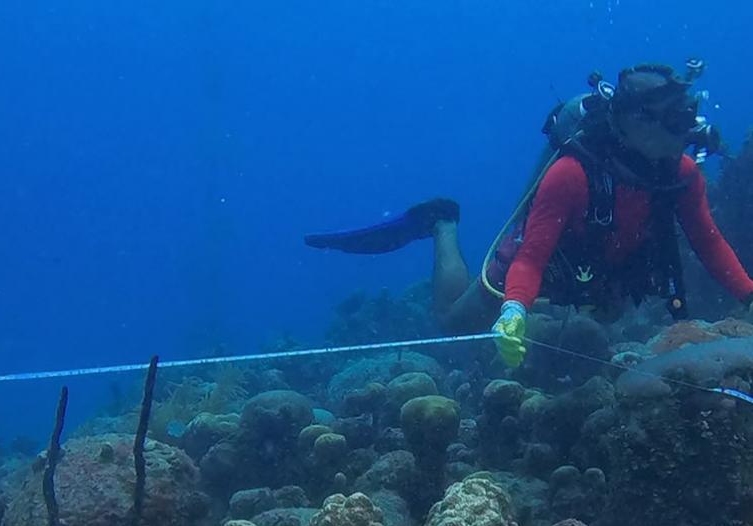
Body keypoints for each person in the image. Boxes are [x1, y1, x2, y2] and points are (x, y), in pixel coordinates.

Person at [305, 61, 751, 368]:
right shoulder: (571, 174)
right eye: (674, 123)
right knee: (453, 321)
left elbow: (708, 241)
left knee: (609, 314)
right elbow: (533, 255)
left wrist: (749, 295)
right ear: (634, 123)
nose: (688, 135)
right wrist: (514, 310)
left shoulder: (683, 173)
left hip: (603, 267)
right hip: (549, 261)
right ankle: (443, 223)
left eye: (687, 119)